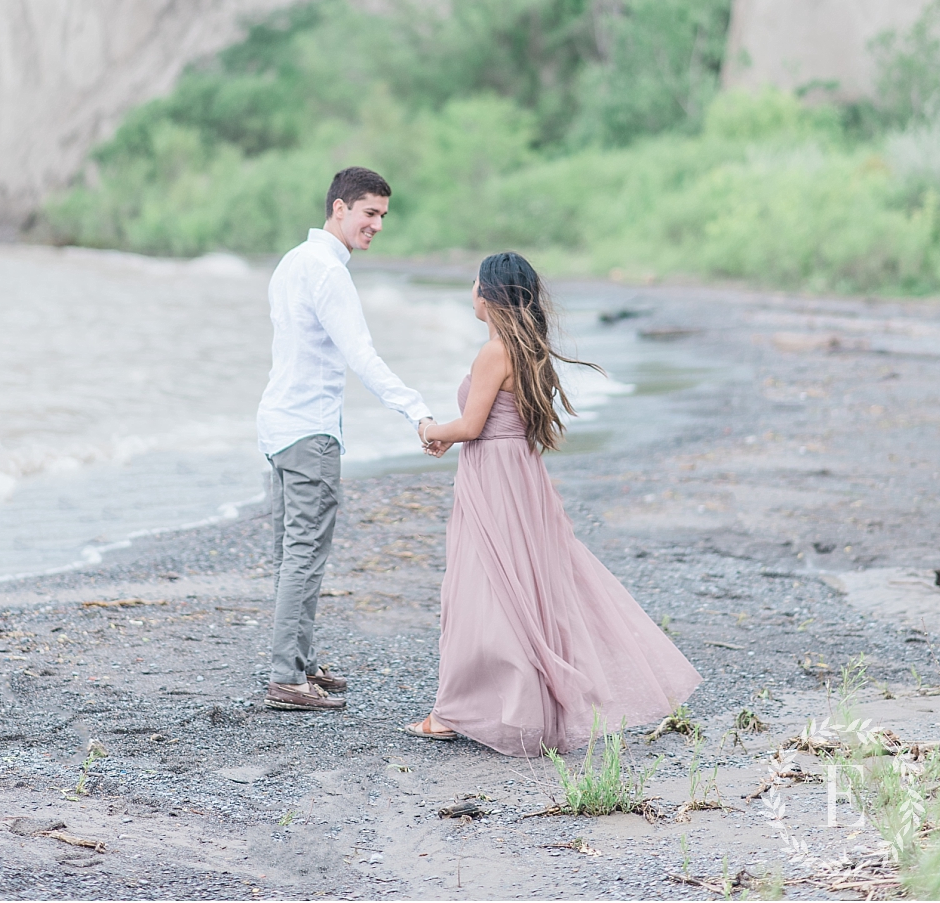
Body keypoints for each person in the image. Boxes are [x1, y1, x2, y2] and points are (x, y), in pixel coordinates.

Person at [407, 252, 699, 754]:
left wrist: (429, 429)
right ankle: (498, 706)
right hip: (519, 474)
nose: (470, 290)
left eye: (474, 283)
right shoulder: (528, 350)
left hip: (495, 477)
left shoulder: (493, 352)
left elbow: (473, 426)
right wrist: (451, 438)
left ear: (491, 294)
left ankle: (462, 712)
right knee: (522, 586)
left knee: (482, 586)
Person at [258, 166, 441, 714]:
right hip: (310, 428)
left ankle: (302, 660)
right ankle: (287, 677)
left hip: (278, 424)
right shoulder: (327, 272)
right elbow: (361, 354)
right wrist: (418, 412)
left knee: (290, 554)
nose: (378, 224)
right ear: (339, 208)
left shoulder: (293, 261)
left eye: (383, 215)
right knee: (305, 554)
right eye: (369, 213)